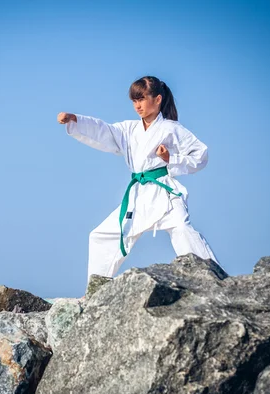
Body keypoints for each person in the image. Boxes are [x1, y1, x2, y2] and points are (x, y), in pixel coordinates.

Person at [57, 75, 221, 284]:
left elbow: (201, 155)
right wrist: (75, 119)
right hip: (138, 196)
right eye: (134, 100)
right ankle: (95, 290)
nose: (137, 105)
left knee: (182, 229)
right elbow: (103, 130)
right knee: (102, 236)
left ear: (158, 99)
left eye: (142, 99)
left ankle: (216, 282)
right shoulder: (128, 129)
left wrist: (171, 158)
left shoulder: (172, 129)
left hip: (164, 193)